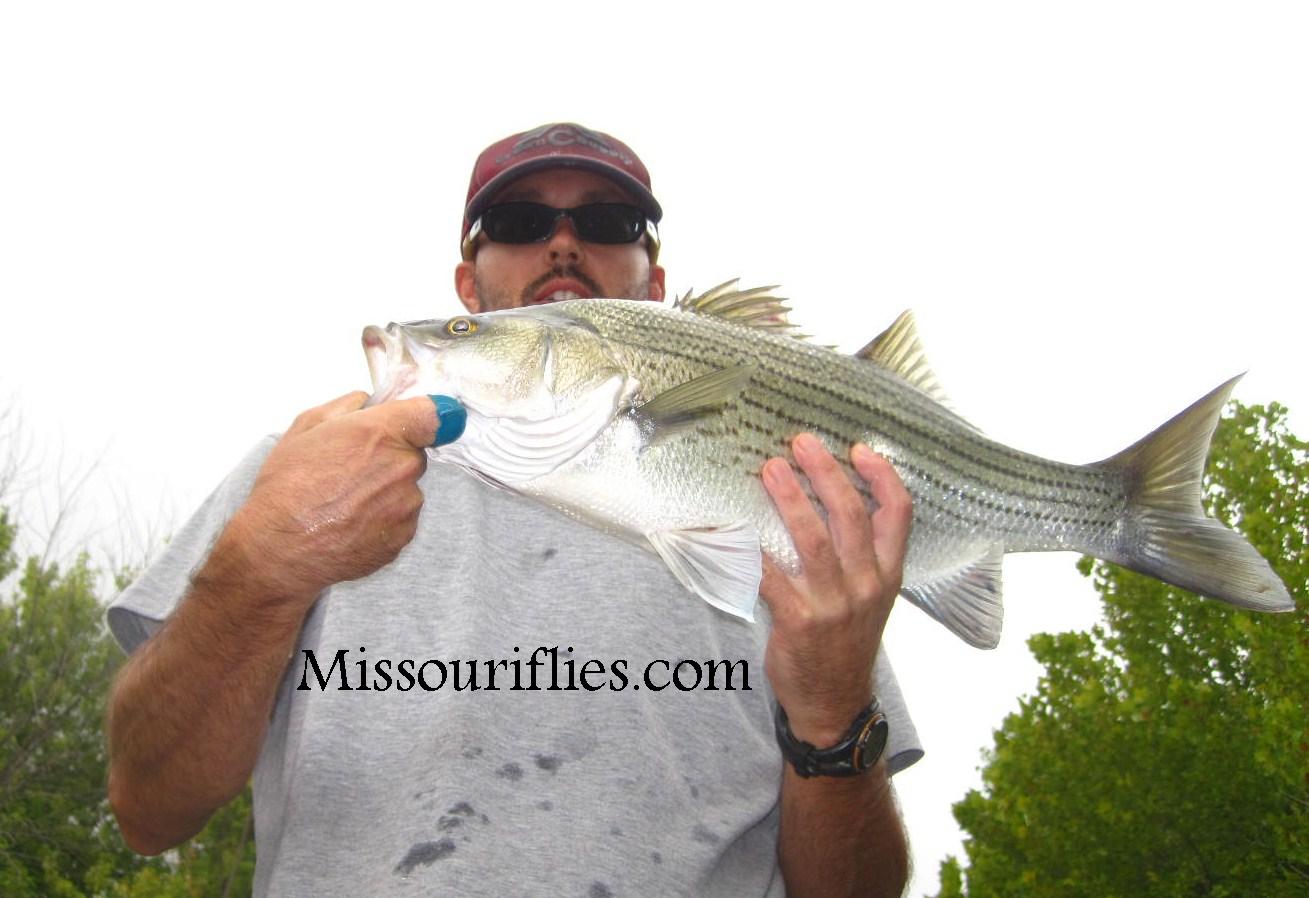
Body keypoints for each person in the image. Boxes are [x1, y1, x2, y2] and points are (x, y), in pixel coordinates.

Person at [106, 122, 923, 898]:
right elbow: (147, 809)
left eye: (607, 222)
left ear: (656, 288)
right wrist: (260, 567)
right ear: (468, 284)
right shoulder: (303, 470)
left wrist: (832, 713)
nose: (562, 243)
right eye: (518, 221)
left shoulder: (784, 508)